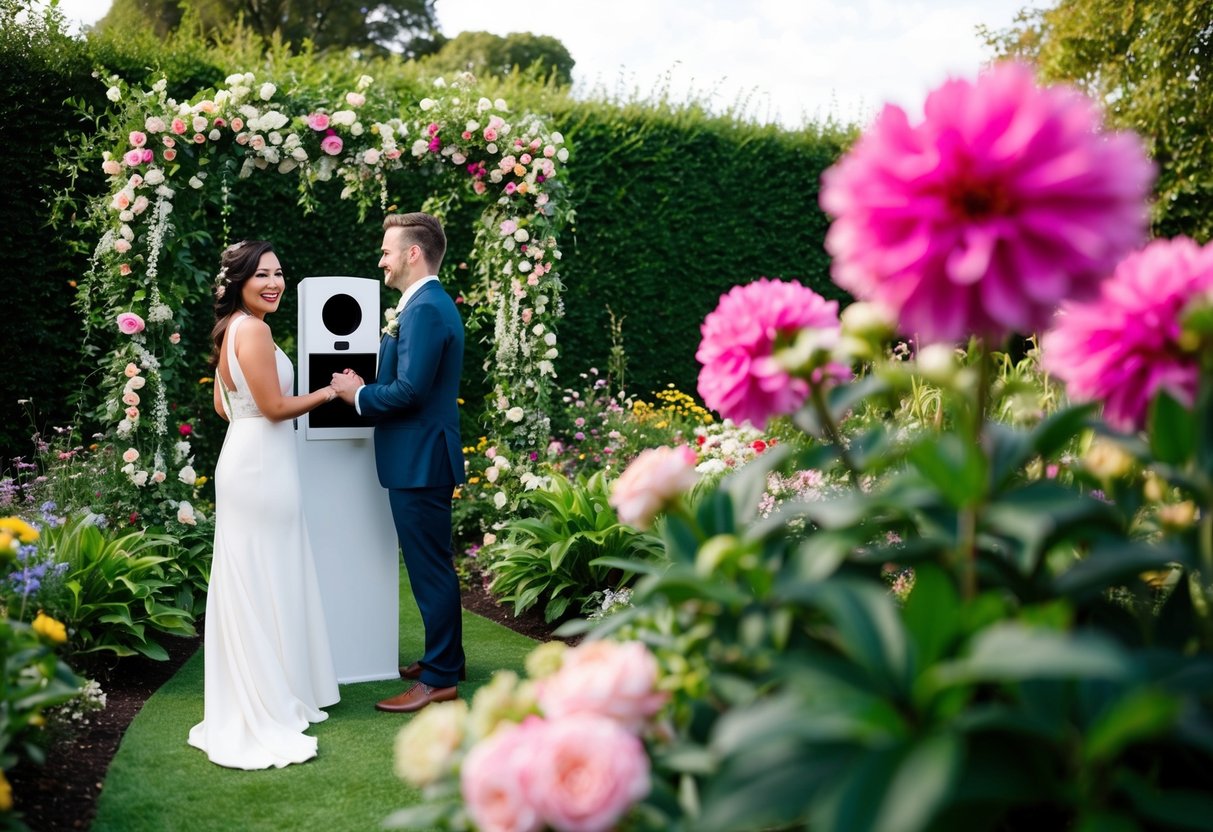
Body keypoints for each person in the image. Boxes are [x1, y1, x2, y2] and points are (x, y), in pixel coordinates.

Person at [188, 240, 340, 769]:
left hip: (247, 459)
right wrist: (331, 391)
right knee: (265, 575)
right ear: (240, 281)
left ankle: (269, 685)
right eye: (263, 275)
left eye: (279, 273)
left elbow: (223, 406)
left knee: (255, 576)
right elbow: (274, 408)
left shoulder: (232, 329)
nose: (275, 283)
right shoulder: (253, 330)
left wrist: (257, 422)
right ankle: (268, 696)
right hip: (262, 469)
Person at [329, 212, 466, 714]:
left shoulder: (427, 309)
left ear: (413, 253)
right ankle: (447, 658)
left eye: (387, 251)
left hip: (421, 459)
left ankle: (441, 677)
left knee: (431, 570)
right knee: (432, 566)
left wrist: (358, 394)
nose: (380, 260)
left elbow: (410, 392)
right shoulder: (421, 305)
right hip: (418, 457)